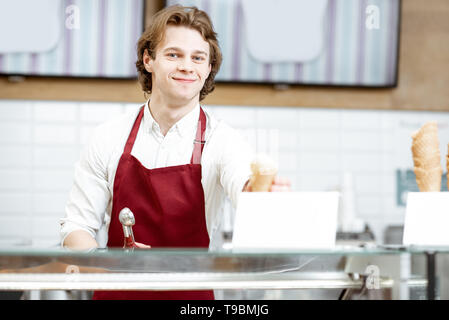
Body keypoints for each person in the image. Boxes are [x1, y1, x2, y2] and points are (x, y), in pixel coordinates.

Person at [60, 5, 290, 300]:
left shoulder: (223, 141)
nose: (186, 66)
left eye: (198, 58)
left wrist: (261, 197)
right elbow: (77, 225)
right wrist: (102, 267)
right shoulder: (109, 137)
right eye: (173, 55)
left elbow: (244, 184)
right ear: (148, 60)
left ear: (208, 69)